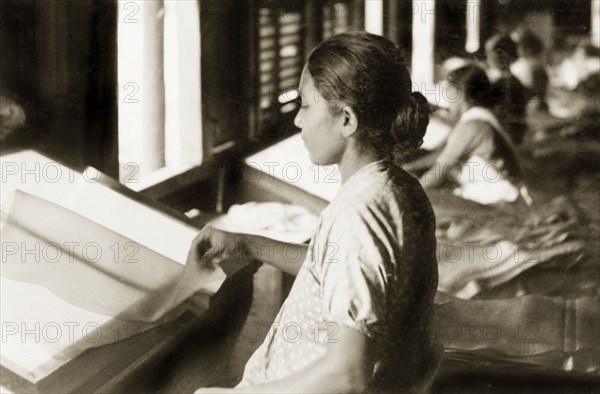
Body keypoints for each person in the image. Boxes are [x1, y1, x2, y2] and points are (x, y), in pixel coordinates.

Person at [192, 32, 440, 393]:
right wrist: (249, 245)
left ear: (347, 120)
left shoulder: (360, 214)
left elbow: (347, 375)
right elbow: (337, 267)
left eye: (306, 106)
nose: (297, 121)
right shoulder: (395, 187)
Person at [419, 64, 528, 207]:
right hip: (499, 197)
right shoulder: (479, 117)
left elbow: (439, 170)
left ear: (461, 93)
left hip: (500, 201)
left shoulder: (473, 125)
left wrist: (409, 191)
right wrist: (407, 168)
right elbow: (441, 155)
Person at [484, 33, 527, 145]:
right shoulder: (512, 81)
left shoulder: (504, 83)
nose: (488, 58)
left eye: (490, 54)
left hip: (506, 139)